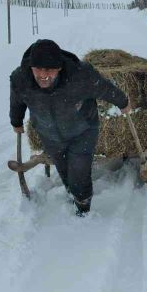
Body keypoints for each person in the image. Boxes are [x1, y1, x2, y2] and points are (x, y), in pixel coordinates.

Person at [9, 39, 131, 216]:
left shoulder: (80, 75)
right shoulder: (21, 79)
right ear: (30, 67)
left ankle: (83, 208)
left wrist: (123, 102)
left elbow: (104, 88)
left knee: (79, 170)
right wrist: (16, 121)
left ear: (59, 68)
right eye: (38, 69)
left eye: (50, 69)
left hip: (83, 130)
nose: (43, 75)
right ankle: (72, 192)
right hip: (48, 133)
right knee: (63, 168)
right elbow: (17, 101)